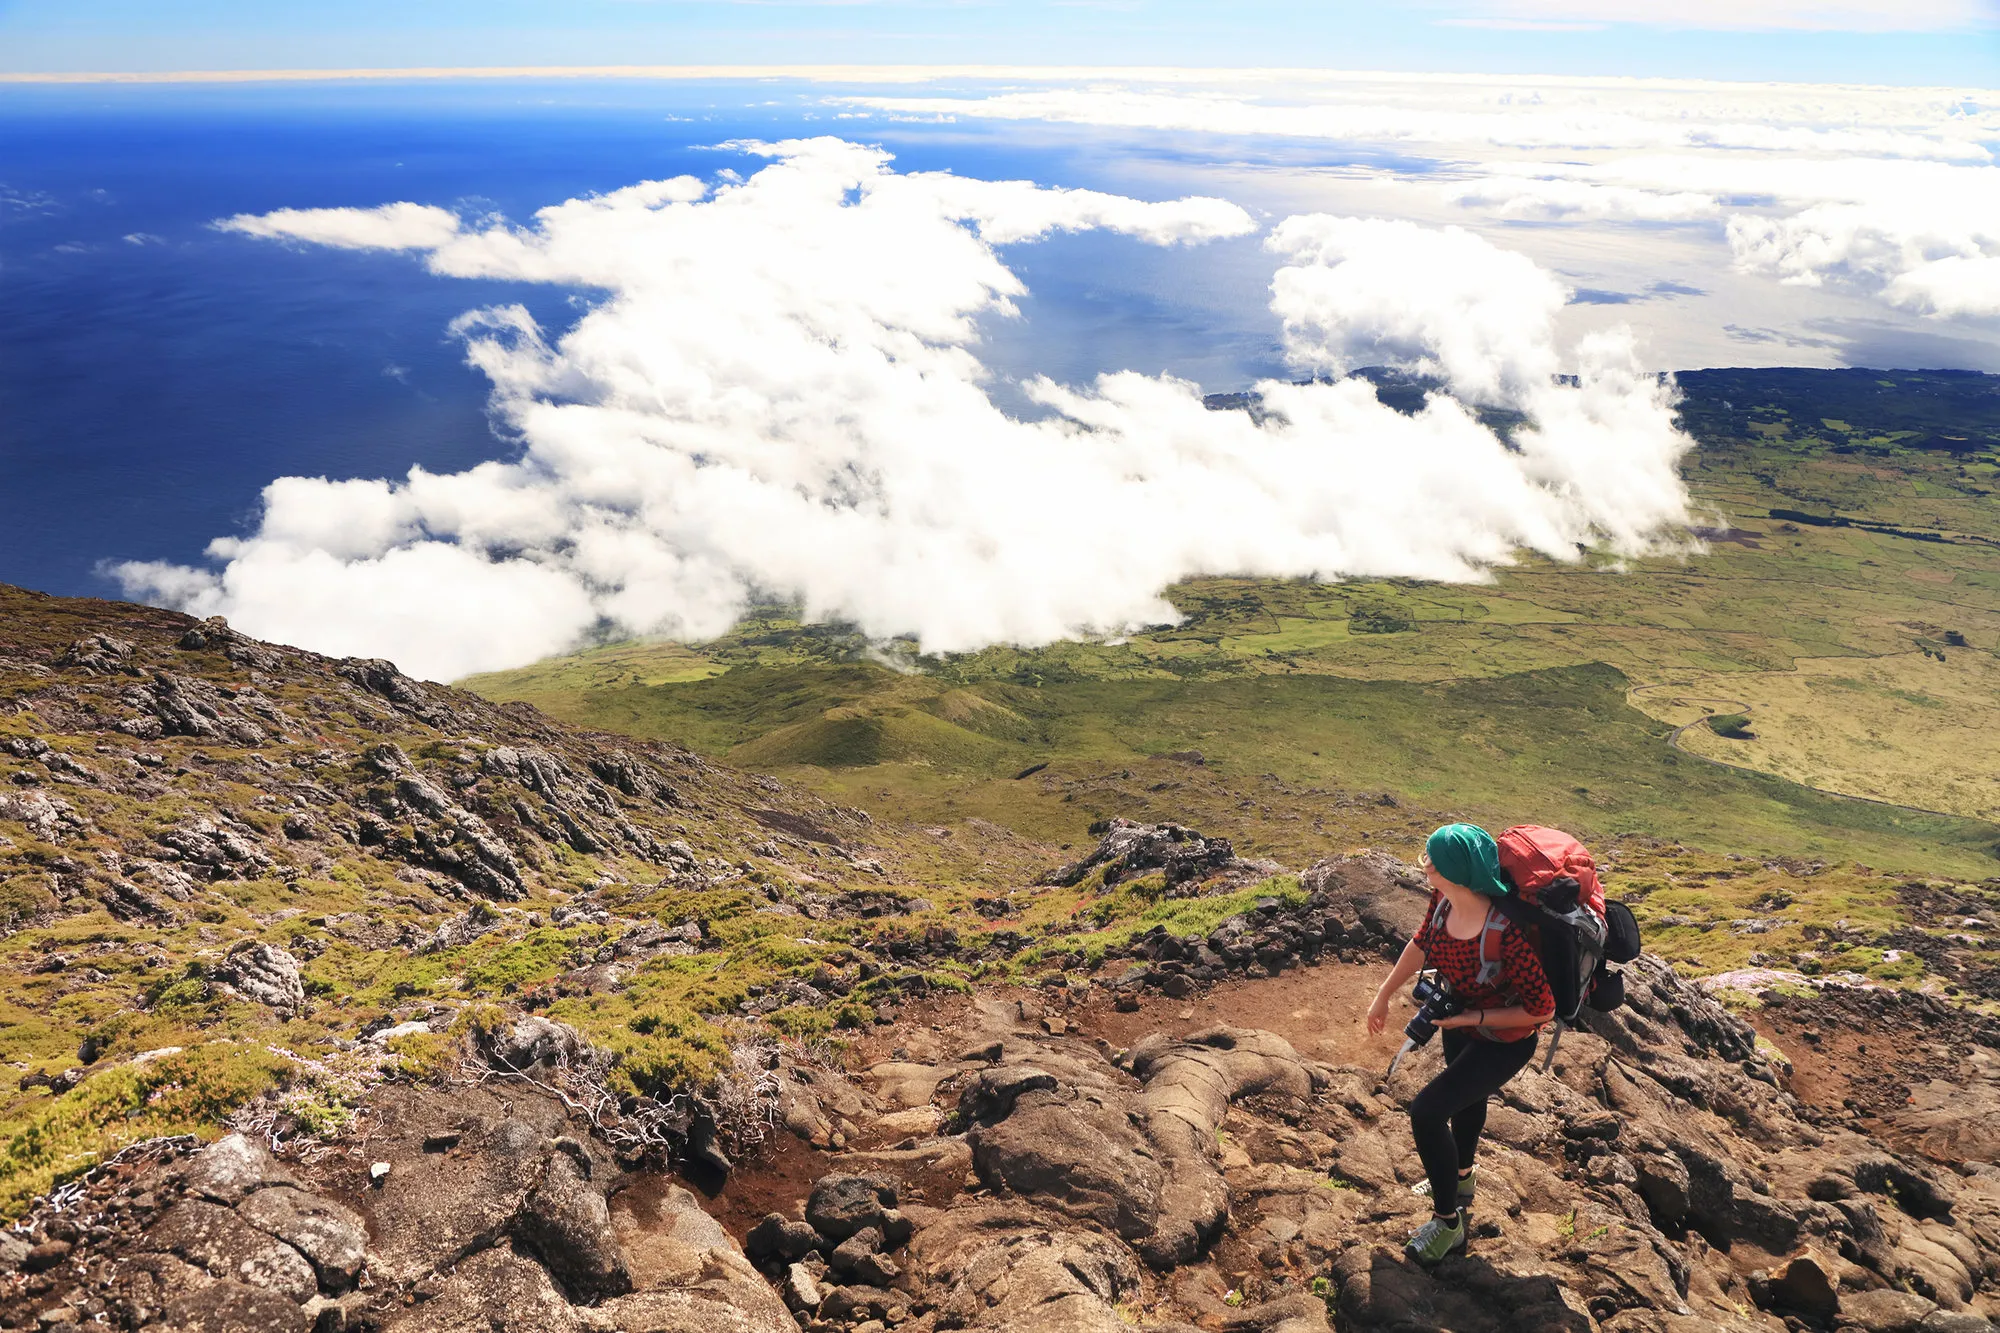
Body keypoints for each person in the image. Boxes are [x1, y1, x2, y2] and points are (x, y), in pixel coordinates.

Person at [1365, 822, 1556, 1263]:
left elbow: (1542, 1009)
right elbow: (1421, 942)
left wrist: (1474, 1017)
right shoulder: (1442, 901)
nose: (1425, 867)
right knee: (1466, 1103)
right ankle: (1461, 1176)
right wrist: (1383, 994)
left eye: (1431, 861)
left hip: (1504, 1039)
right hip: (1461, 1018)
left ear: (1453, 872)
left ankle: (1448, 1224)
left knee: (1427, 1112)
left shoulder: (1506, 931)